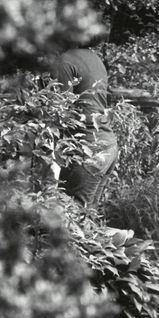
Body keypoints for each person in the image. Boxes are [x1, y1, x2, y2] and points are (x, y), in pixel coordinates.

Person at [45, 48, 119, 207]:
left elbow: (60, 112)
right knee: (88, 215)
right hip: (107, 145)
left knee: (72, 213)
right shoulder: (94, 58)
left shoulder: (64, 61)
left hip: (87, 152)